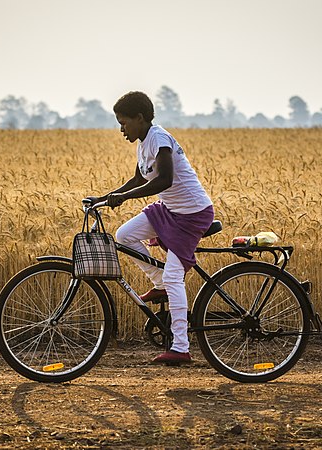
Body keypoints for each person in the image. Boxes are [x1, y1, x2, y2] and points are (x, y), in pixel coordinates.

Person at [86, 91, 214, 365]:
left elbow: (165, 180)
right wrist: (105, 198)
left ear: (140, 118)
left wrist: (125, 198)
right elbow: (137, 180)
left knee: (174, 277)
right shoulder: (143, 143)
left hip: (191, 214)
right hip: (169, 210)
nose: (121, 128)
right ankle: (160, 283)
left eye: (123, 122)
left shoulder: (158, 138)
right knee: (124, 235)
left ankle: (181, 347)